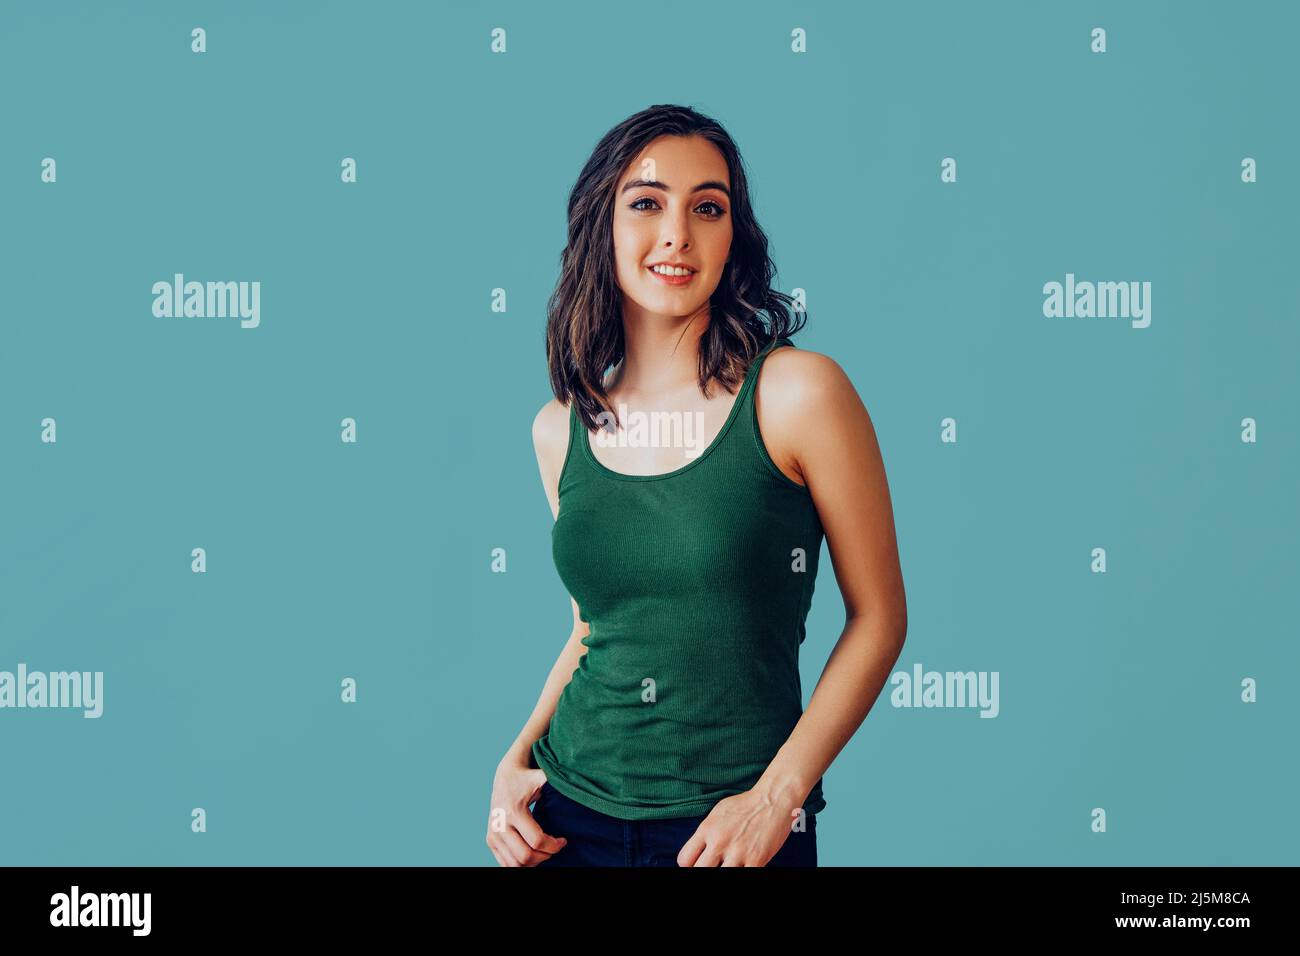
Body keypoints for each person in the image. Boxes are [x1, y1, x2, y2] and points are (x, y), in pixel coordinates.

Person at [486, 104, 907, 867]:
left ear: (731, 237)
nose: (677, 232)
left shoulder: (798, 395)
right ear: (601, 228)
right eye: (646, 203)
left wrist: (777, 799)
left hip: (731, 834)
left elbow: (879, 618)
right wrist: (512, 761)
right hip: (564, 821)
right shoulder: (560, 429)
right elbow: (592, 627)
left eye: (706, 208)